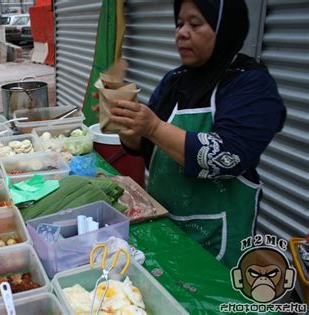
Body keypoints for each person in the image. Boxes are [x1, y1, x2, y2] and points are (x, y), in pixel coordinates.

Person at [109, 0, 286, 267]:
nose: (181, 32)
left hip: (217, 237)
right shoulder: (174, 80)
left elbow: (228, 155)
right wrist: (125, 123)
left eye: (195, 23)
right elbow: (143, 146)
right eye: (179, 23)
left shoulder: (250, 83)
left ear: (225, 27)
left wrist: (154, 127)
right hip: (165, 222)